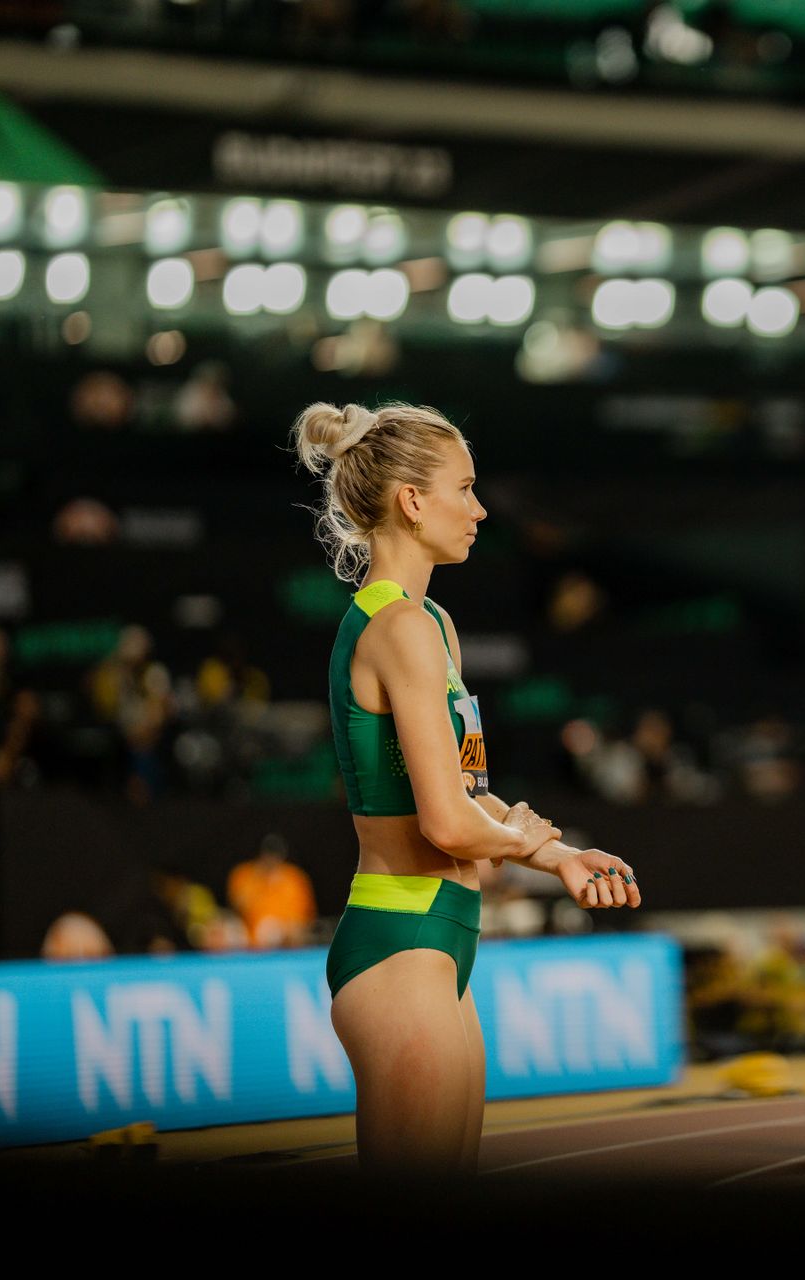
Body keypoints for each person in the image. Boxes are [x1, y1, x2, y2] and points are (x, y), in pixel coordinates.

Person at [292, 399, 641, 1176]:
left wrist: (560, 857)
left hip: (441, 945)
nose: (480, 509)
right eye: (465, 488)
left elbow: (469, 793)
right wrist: (533, 844)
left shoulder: (434, 625)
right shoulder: (403, 630)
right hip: (400, 945)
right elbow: (449, 826)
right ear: (412, 502)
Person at [227, 834, 318, 948]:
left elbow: (305, 916)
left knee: (278, 931)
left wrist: (285, 929)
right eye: (268, 856)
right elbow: (239, 906)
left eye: (275, 856)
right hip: (248, 939)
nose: (271, 860)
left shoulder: (294, 878)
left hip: (284, 937)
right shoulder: (244, 874)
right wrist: (260, 880)